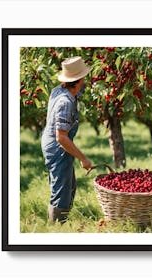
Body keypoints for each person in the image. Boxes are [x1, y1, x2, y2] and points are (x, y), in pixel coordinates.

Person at [41, 56, 92, 224]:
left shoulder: (61, 90)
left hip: (53, 141)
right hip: (58, 146)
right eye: (83, 77)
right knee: (61, 190)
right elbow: (61, 137)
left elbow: (80, 89)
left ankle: (61, 221)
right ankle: (56, 227)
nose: (86, 79)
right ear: (78, 80)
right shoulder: (65, 102)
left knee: (68, 185)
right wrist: (83, 158)